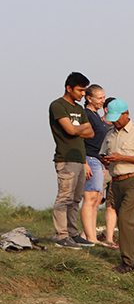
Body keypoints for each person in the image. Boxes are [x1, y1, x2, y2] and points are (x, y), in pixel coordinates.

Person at [98, 99, 134, 276]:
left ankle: (127, 262)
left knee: (124, 219)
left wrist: (122, 157)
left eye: (117, 118)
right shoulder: (110, 134)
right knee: (130, 223)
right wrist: (105, 159)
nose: (114, 121)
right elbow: (102, 154)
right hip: (116, 181)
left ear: (126, 114)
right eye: (112, 118)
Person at [49, 71, 95, 249]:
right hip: (65, 158)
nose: (82, 94)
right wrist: (79, 128)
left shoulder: (79, 109)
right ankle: (61, 235)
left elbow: (90, 133)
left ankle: (73, 233)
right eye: (80, 90)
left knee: (76, 199)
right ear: (69, 88)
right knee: (64, 198)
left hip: (80, 159)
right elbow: (70, 130)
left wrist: (78, 127)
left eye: (84, 91)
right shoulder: (58, 105)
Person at [80, 84, 117, 248]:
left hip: (98, 160)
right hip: (89, 159)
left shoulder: (95, 115)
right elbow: (80, 139)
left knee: (96, 199)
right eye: (100, 98)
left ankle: (92, 236)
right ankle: (89, 237)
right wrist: (84, 162)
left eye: (103, 97)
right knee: (89, 199)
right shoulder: (86, 114)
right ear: (89, 98)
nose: (103, 101)